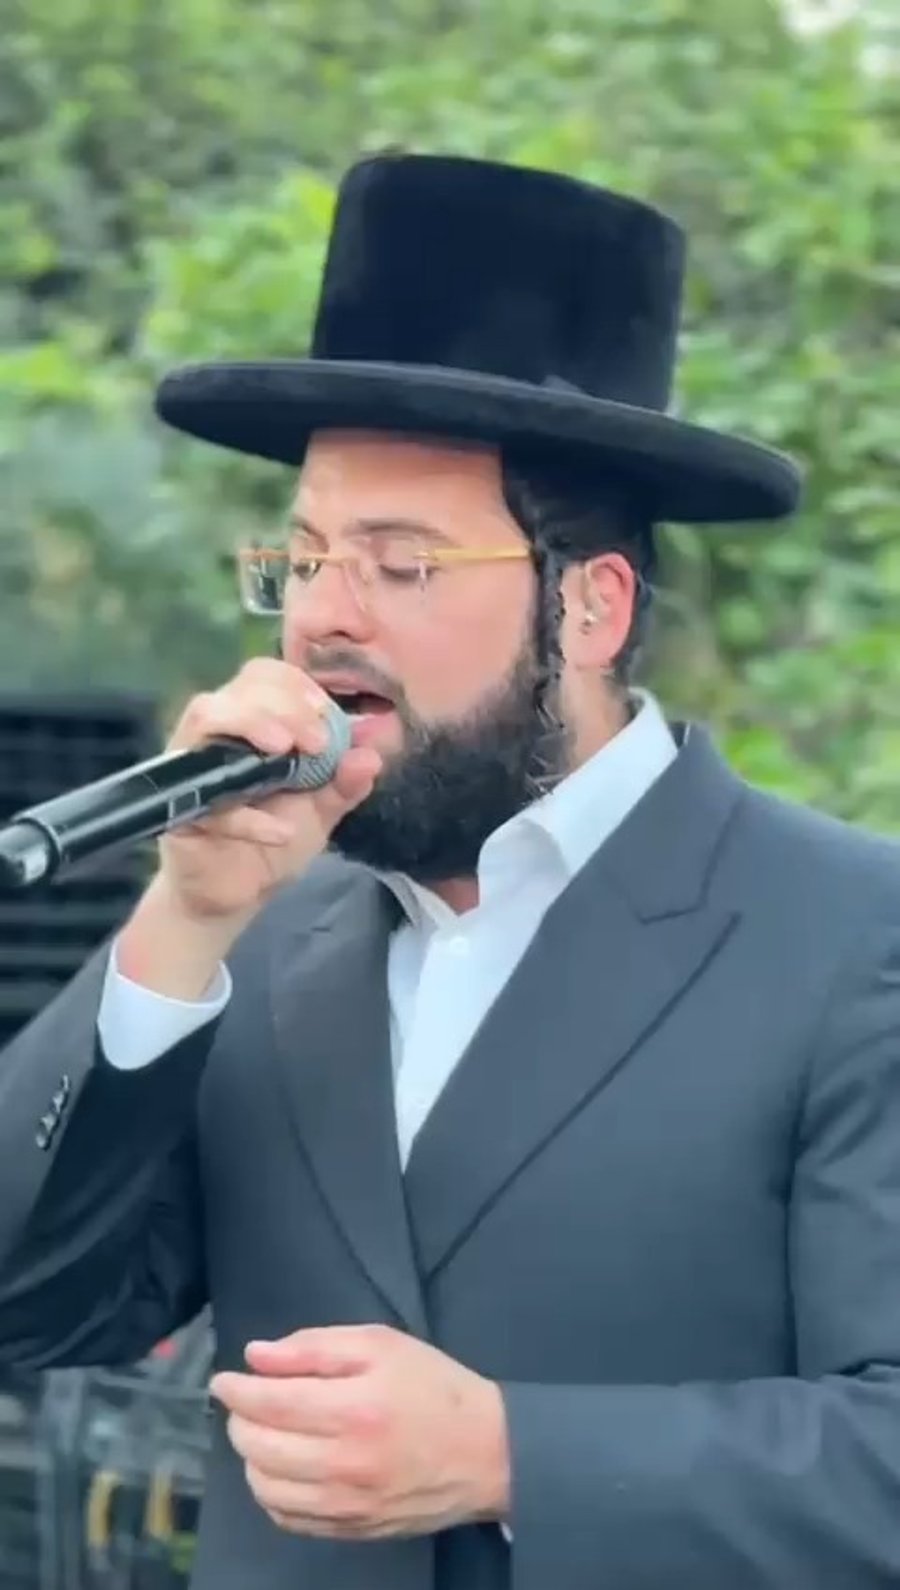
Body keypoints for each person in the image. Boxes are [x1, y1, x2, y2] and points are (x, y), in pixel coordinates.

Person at [1, 151, 900, 1590]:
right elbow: (32, 1307)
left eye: (401, 564)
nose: (323, 619)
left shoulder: (852, 935)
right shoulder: (263, 935)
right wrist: (183, 917)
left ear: (591, 608)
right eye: (303, 559)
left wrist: (509, 1456)